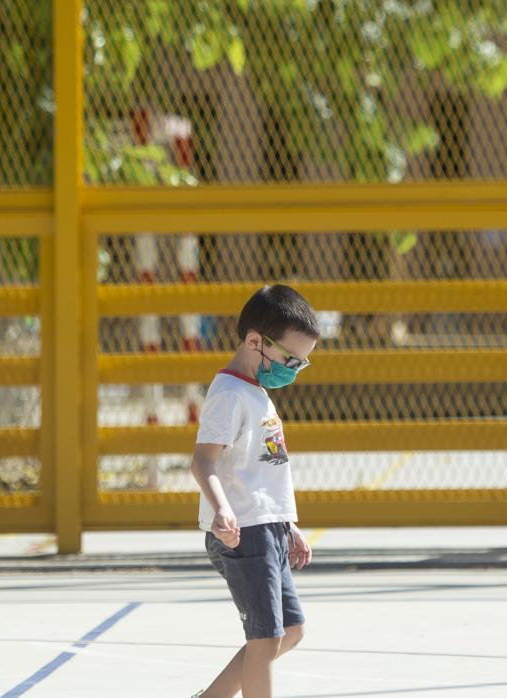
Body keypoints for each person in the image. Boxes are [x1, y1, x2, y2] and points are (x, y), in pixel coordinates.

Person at [190, 284, 319, 698]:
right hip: (245, 532)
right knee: (264, 640)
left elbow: (266, 470)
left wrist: (289, 525)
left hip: (268, 529)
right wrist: (222, 510)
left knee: (290, 631)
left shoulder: (256, 393)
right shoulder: (228, 394)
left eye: (301, 362)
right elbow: (203, 461)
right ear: (254, 342)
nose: (293, 369)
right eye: (289, 359)